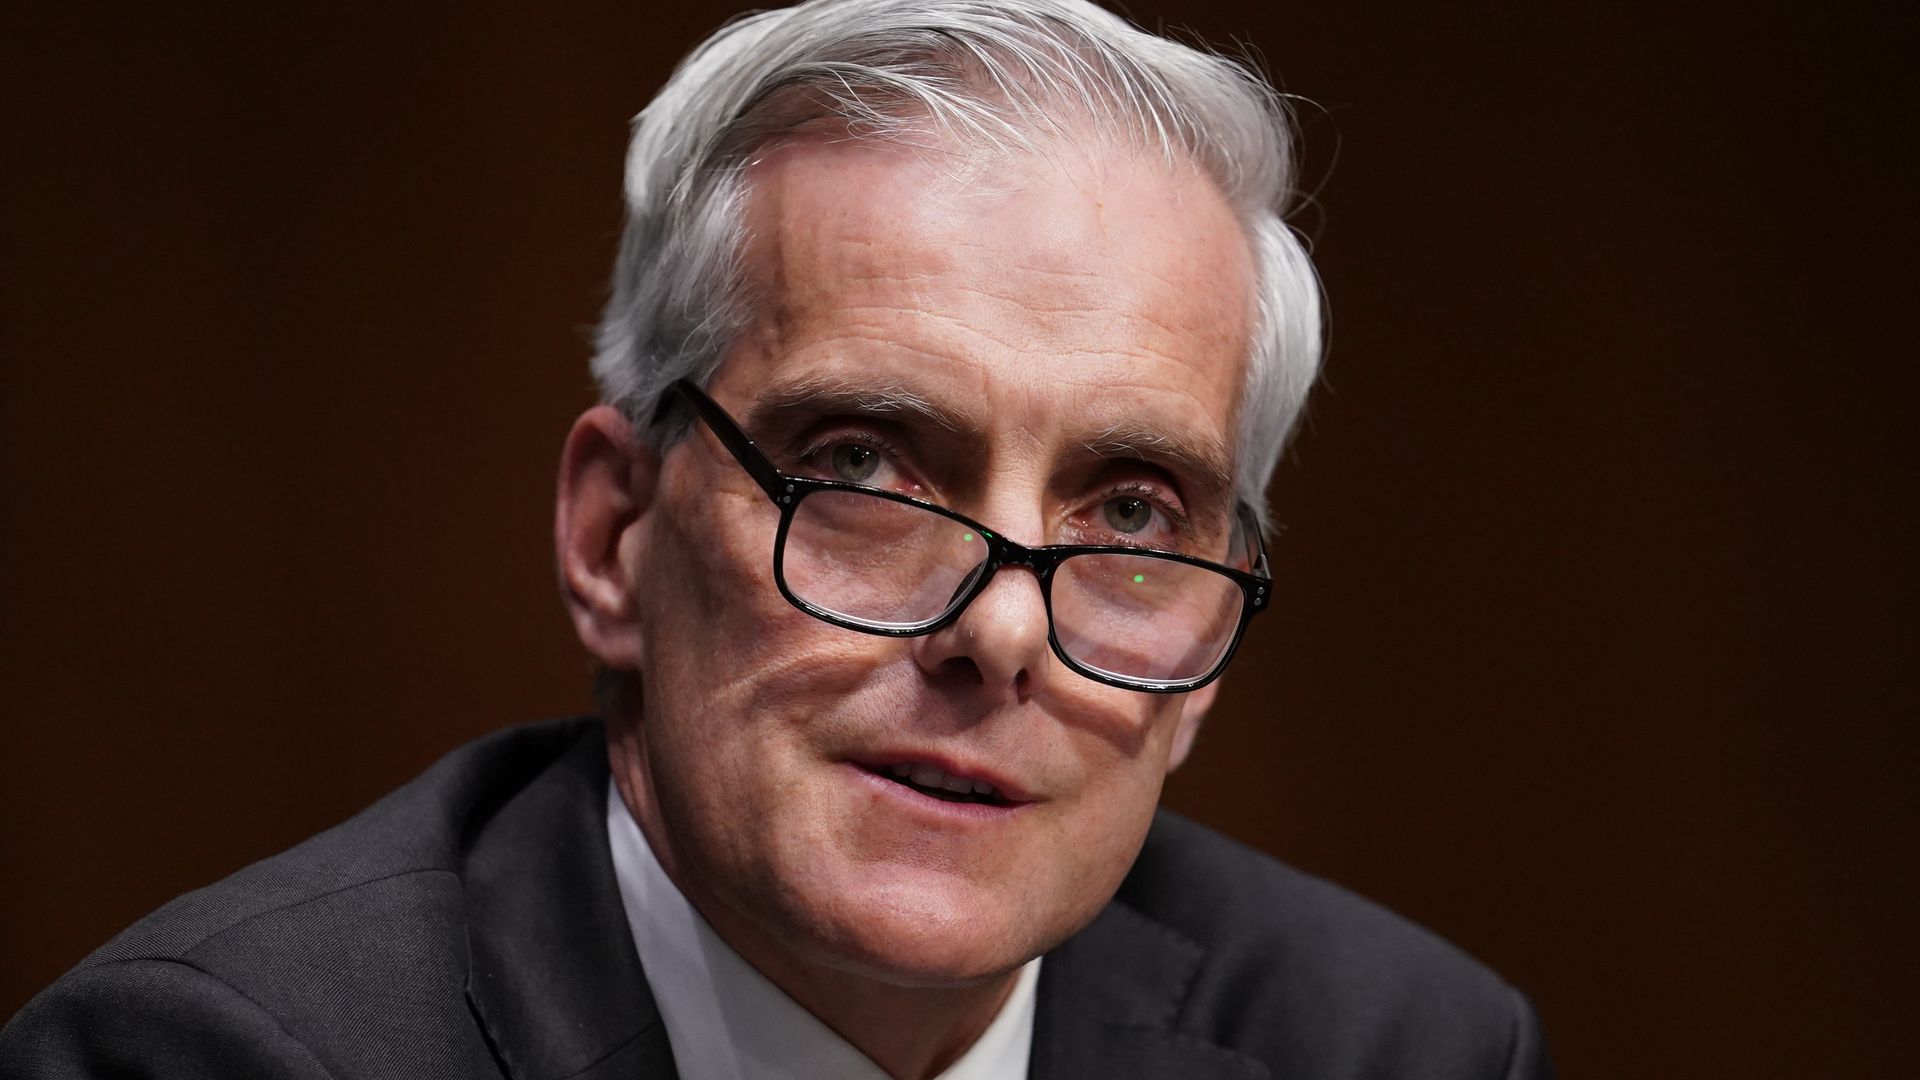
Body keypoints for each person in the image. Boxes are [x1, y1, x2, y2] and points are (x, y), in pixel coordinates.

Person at [0, 1, 1552, 1076]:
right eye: (868, 465)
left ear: (1203, 667)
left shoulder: (1397, 1047)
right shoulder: (223, 1057)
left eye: (1134, 511)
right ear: (616, 535)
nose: (1002, 631)